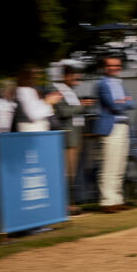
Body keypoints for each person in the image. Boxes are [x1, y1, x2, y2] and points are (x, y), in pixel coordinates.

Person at [95, 56, 134, 213]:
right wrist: (124, 102)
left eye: (117, 65)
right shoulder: (102, 84)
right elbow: (113, 105)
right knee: (110, 165)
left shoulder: (120, 84)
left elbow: (132, 103)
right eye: (111, 65)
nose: (114, 68)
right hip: (111, 128)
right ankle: (107, 201)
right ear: (105, 67)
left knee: (119, 166)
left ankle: (117, 199)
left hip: (123, 126)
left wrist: (123, 102)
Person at [54, 65, 93, 215]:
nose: (77, 80)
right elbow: (63, 112)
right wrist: (82, 106)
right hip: (68, 138)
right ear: (66, 76)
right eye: (74, 77)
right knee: (67, 173)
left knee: (72, 172)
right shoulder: (59, 90)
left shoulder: (71, 92)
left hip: (76, 137)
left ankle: (71, 204)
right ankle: (67, 206)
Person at [14, 66, 61, 131]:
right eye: (36, 74)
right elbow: (33, 115)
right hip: (32, 132)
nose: (39, 76)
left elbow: (45, 112)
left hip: (39, 130)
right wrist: (47, 102)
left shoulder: (31, 90)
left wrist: (49, 102)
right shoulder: (24, 90)